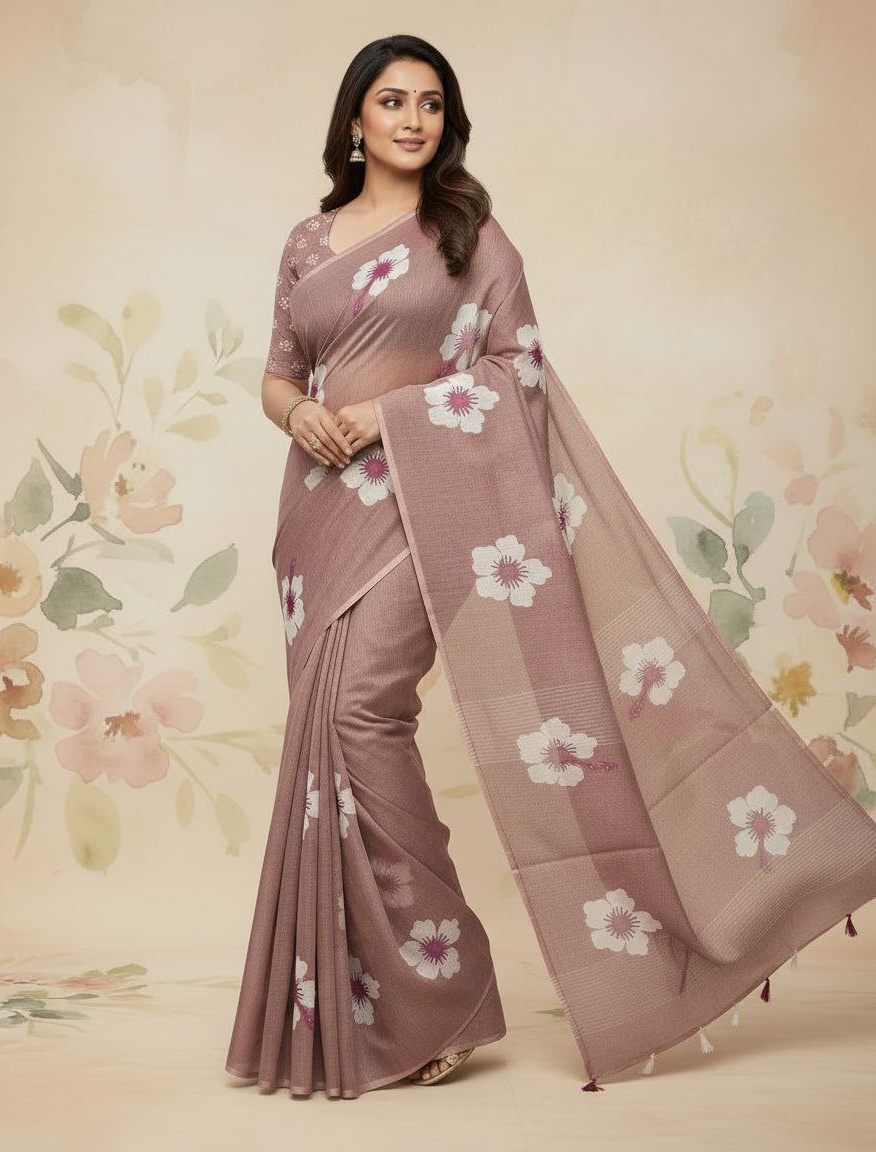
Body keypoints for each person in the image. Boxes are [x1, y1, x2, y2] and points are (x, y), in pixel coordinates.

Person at [225, 34, 876, 1100]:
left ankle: (443, 992)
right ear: (354, 121)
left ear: (447, 123)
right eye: (391, 101)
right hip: (317, 518)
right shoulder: (307, 240)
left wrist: (389, 416)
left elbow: (515, 371)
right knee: (326, 744)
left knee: (360, 716)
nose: (412, 119)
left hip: (424, 510)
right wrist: (298, 414)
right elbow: (278, 372)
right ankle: (367, 1004)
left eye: (431, 103)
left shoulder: (468, 237)